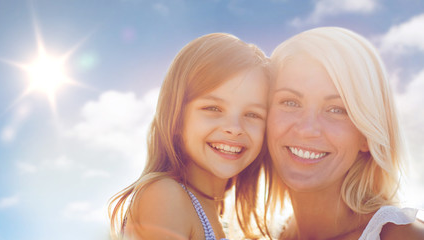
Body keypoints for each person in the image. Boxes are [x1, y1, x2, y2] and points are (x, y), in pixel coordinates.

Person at [263, 27, 424, 239]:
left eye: (336, 110)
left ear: (367, 136)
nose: (307, 129)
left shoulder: (403, 236)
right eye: (291, 102)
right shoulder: (273, 233)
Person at [108, 33, 270, 239]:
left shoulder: (214, 213)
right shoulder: (165, 196)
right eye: (213, 108)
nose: (234, 128)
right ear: (176, 117)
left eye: (252, 114)